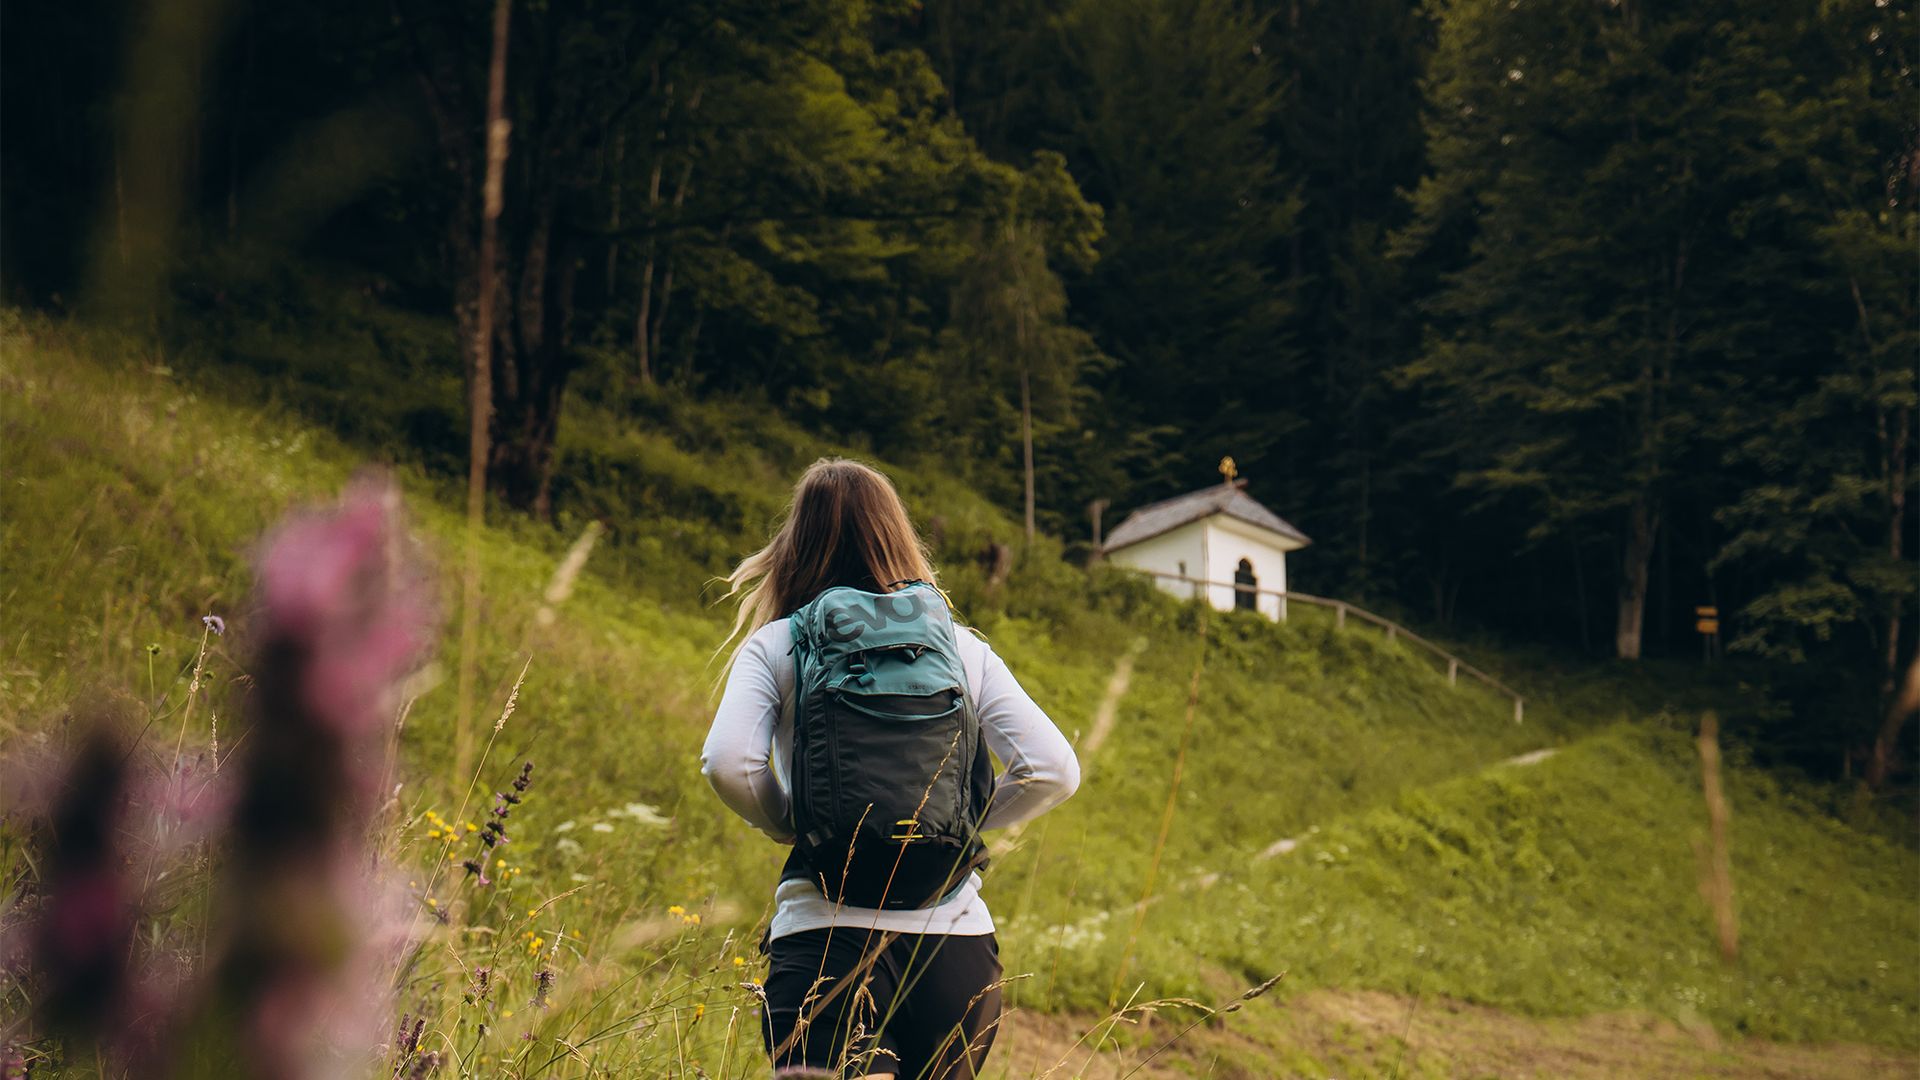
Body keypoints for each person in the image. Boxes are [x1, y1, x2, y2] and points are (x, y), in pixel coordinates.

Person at [703, 458, 1080, 1079]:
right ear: (897, 536)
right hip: (954, 947)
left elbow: (728, 764)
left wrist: (788, 823)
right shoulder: (961, 649)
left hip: (824, 934)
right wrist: (957, 827)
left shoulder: (777, 643)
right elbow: (1052, 770)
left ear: (795, 544)